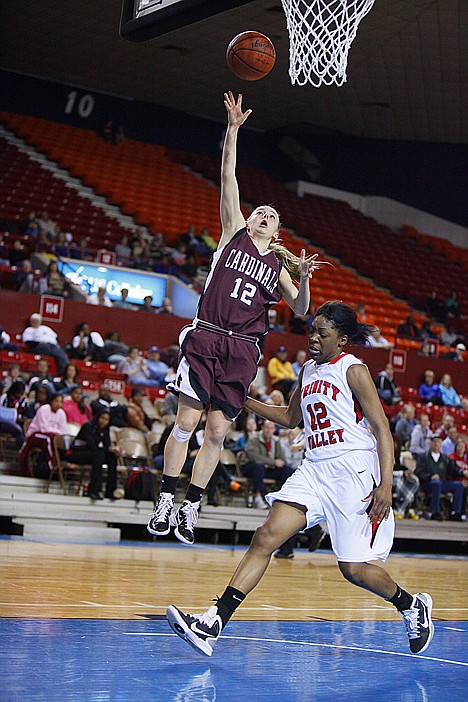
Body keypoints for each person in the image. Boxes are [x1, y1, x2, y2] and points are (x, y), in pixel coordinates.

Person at [166, 300, 434, 657]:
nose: (314, 338)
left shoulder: (352, 369)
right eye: (311, 331)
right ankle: (214, 623)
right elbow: (291, 418)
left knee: (353, 569)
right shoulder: (307, 370)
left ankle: (411, 605)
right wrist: (242, 400)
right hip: (315, 467)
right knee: (265, 536)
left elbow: (383, 429)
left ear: (342, 339)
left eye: (323, 333)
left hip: (352, 470)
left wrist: (385, 485)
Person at [147, 92, 320, 545]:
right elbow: (228, 174)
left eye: (270, 215)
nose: (262, 215)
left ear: (277, 231)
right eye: (259, 211)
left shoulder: (280, 268)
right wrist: (234, 129)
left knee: (218, 430)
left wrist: (302, 278)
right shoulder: (231, 234)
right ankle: (166, 498)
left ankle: (192, 505)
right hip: (207, 336)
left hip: (243, 350)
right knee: (186, 423)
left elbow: (301, 311)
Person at [240, 419, 295, 509]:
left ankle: (281, 497)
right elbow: (253, 457)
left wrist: (277, 462)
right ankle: (257, 496)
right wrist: (272, 462)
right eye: (266, 428)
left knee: (288, 470)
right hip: (251, 467)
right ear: (262, 428)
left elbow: (281, 458)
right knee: (259, 466)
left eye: (271, 428)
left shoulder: (276, 441)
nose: (268, 430)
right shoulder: (254, 438)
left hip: (269, 468)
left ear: (274, 430)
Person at [67, 410, 120, 500]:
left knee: (112, 457)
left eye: (106, 419)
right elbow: (91, 445)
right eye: (102, 418)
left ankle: (110, 491)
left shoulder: (105, 430)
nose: (104, 421)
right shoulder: (88, 426)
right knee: (99, 455)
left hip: (93, 454)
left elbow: (106, 445)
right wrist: (107, 449)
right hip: (77, 453)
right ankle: (93, 490)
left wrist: (113, 450)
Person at [415, 435, 464, 521]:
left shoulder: (445, 458)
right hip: (428, 484)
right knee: (436, 484)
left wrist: (462, 472)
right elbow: (419, 472)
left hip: (442, 483)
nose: (436, 443)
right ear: (431, 443)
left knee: (458, 485)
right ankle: (435, 511)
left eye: (438, 441)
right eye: (434, 441)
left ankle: (456, 513)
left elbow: (453, 469)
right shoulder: (424, 457)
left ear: (441, 443)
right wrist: (430, 476)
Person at [18, 394, 68, 476]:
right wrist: (56, 432)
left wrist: (55, 432)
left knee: (59, 439)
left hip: (52, 436)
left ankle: (61, 461)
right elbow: (43, 428)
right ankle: (52, 464)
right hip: (35, 434)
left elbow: (63, 430)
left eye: (60, 402)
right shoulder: (44, 409)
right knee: (49, 439)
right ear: (51, 401)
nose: (58, 404)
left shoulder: (61, 413)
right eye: (56, 401)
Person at [392, 451, 420, 520]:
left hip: (405, 483)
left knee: (415, 481)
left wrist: (409, 475)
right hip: (392, 480)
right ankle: (409, 509)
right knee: (399, 482)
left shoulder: (406, 467)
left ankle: (401, 510)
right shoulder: (394, 460)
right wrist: (402, 473)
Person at [447, 439, 468, 517]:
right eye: (459, 446)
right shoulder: (452, 458)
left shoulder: (465, 461)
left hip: (465, 482)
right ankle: (460, 513)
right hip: (454, 481)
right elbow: (452, 471)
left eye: (463, 447)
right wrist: (462, 473)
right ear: (455, 448)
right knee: (463, 488)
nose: (461, 448)